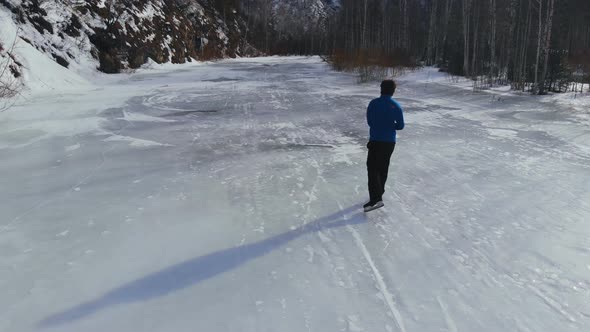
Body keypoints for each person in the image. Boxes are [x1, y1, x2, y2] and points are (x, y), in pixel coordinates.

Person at [363, 80, 405, 212]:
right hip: (389, 142)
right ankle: (379, 194)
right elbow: (401, 125)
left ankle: (376, 199)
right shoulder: (395, 106)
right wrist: (390, 125)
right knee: (383, 167)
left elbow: (369, 121)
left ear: (381, 89)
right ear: (393, 91)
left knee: (372, 168)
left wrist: (378, 125)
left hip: (376, 140)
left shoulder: (374, 103)